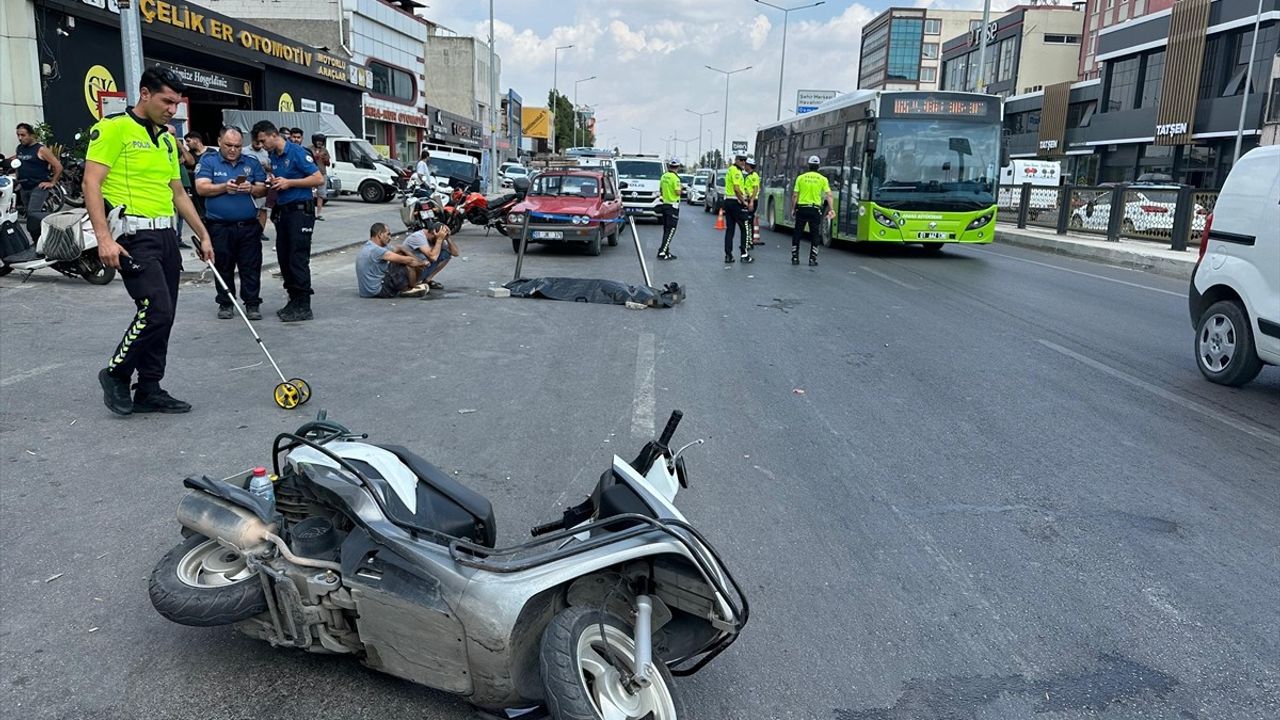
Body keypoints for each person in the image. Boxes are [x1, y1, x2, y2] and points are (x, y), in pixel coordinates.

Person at [85, 66, 214, 416]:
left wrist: (202, 234)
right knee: (154, 310)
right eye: (166, 101)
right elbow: (91, 184)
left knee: (166, 315)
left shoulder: (167, 140)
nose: (173, 109)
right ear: (144, 94)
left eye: (176, 103)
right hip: (132, 235)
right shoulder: (113, 129)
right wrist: (104, 239)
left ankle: (150, 387)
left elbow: (178, 193)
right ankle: (115, 373)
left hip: (166, 236)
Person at [251, 120, 324, 322]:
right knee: (284, 258)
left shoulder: (297, 152)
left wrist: (289, 182)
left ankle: (303, 304)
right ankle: (293, 299)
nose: (261, 145)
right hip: (284, 212)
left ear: (273, 135)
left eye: (263, 140)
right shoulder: (274, 156)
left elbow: (318, 179)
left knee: (297, 257)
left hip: (300, 211)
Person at [195, 126, 267, 320]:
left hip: (248, 225)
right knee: (223, 265)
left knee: (250, 266)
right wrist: (224, 187)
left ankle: (252, 304)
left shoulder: (251, 163)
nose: (233, 150)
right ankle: (226, 303)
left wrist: (251, 188)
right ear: (219, 142)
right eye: (228, 145)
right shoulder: (209, 161)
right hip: (219, 226)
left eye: (237, 146)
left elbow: (263, 189)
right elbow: (201, 188)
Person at [13, 123, 63, 242]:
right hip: (24, 187)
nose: (20, 138)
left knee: (32, 214)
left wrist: (52, 182)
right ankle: (38, 242)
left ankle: (46, 241)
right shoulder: (20, 148)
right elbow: (18, 161)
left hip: (38, 187)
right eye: (18, 135)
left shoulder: (41, 149)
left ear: (31, 135)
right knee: (30, 217)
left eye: (23, 135)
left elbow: (58, 166)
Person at [356, 222, 428, 298]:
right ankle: (410, 288)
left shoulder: (370, 246)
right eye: (388, 234)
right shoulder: (376, 250)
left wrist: (407, 253)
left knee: (401, 256)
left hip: (366, 292)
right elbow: (408, 261)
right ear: (380, 235)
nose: (390, 238)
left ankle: (412, 285)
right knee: (405, 263)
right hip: (379, 291)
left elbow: (399, 248)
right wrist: (423, 263)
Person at [790, 155, 834, 267]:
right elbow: (829, 195)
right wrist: (831, 209)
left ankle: (795, 257)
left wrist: (793, 209)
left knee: (798, 233)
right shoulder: (823, 179)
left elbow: (795, 195)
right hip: (815, 210)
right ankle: (812, 259)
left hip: (802, 209)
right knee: (815, 235)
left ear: (808, 165)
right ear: (818, 166)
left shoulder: (801, 178)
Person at [398, 216, 457, 289]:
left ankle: (427, 280)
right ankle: (413, 284)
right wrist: (439, 240)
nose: (442, 240)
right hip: (407, 272)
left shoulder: (437, 237)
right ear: (433, 233)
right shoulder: (418, 237)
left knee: (447, 254)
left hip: (421, 267)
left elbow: (455, 253)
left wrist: (448, 238)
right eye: (441, 238)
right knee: (431, 257)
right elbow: (433, 257)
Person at [722, 152, 752, 264]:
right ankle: (744, 254)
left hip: (728, 202)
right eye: (741, 160)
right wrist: (744, 201)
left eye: (745, 160)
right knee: (745, 228)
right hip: (736, 202)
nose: (743, 162)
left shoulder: (730, 169)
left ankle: (728, 255)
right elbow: (736, 188)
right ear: (736, 160)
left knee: (730, 230)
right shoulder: (736, 171)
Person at [245, 132, 273, 240]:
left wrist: (267, 167)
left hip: (263, 183)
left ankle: (260, 231)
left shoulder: (267, 153)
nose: (258, 142)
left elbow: (272, 168)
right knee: (250, 208)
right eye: (255, 140)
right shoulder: (244, 151)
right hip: (248, 183)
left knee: (263, 209)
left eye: (260, 141)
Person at [657, 157, 682, 260]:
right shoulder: (675, 178)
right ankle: (663, 251)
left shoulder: (664, 176)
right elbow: (678, 192)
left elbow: (661, 190)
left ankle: (665, 250)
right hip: (673, 206)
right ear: (678, 166)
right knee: (671, 229)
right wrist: (682, 189)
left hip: (665, 204)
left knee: (666, 229)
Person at [310, 133, 331, 221]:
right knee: (311, 194)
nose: (319, 143)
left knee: (321, 194)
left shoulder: (325, 151)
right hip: (311, 174)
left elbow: (328, 164)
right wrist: (314, 157)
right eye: (318, 141)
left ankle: (319, 214)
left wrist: (325, 159)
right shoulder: (309, 149)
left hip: (322, 174)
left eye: (321, 141)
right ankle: (311, 212)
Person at [744, 157, 762, 247]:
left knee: (749, 221)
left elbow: (755, 189)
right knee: (748, 221)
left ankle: (749, 242)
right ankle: (748, 241)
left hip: (752, 200)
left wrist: (751, 202)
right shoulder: (748, 176)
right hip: (749, 199)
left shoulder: (754, 176)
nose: (744, 166)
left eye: (746, 165)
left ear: (749, 166)